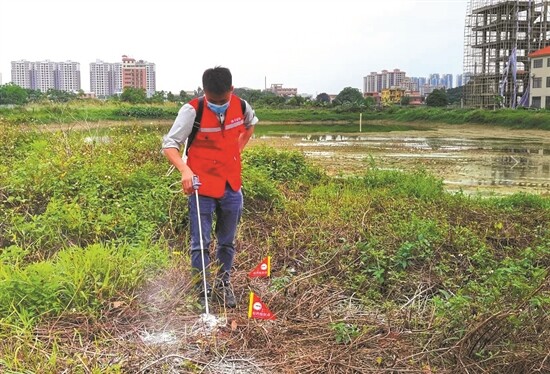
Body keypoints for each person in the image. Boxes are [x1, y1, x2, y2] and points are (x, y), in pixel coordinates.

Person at [162, 66, 258, 309]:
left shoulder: (242, 106)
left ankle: (223, 282)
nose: (218, 104)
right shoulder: (192, 110)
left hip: (231, 185)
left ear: (232, 91)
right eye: (212, 100)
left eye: (223, 100)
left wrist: (237, 150)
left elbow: (250, 124)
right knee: (200, 243)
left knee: (227, 242)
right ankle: (202, 289)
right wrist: (184, 169)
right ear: (204, 92)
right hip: (201, 186)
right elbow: (169, 145)